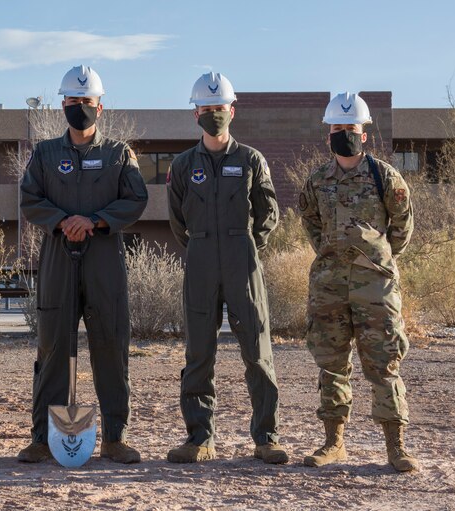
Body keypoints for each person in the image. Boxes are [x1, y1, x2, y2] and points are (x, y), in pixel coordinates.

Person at [18, 65, 148, 464]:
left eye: (86, 102)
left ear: (100, 107)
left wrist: (93, 220)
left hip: (104, 254)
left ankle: (115, 437)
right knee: (53, 347)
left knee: (111, 346)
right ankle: (43, 438)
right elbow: (29, 199)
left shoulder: (119, 154)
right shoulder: (44, 153)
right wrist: (62, 221)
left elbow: (136, 199)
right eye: (73, 102)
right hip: (58, 254)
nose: (80, 108)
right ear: (62, 105)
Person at [166, 72, 287, 464]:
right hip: (200, 260)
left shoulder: (251, 159)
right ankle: (199, 437)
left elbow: (269, 214)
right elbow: (176, 220)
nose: (214, 114)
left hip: (242, 260)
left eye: (220, 109)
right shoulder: (183, 165)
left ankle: (266, 437)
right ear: (195, 113)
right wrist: (202, 245)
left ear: (232, 111)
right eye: (207, 109)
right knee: (199, 354)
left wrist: (247, 246)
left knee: (257, 350)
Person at [299, 92, 419, 472]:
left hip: (375, 288)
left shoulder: (386, 176)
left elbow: (402, 228)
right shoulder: (318, 180)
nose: (344, 134)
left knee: (384, 364)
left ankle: (395, 447)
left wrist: (378, 259)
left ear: (364, 133)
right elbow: (312, 223)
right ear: (327, 134)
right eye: (337, 128)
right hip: (329, 286)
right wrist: (333, 256)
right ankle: (333, 442)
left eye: (350, 128)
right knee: (332, 364)